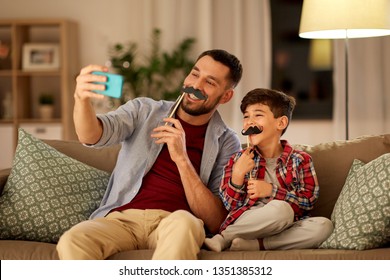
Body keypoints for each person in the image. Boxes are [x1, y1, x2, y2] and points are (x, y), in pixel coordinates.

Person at [56, 49, 243, 260]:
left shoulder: (227, 142)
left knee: (185, 225)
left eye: (210, 82)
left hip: (175, 221)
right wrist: (81, 99)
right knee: (74, 239)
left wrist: (181, 159)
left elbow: (217, 219)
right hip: (121, 220)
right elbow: (91, 135)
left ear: (226, 96)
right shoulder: (144, 110)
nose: (196, 86)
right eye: (194, 73)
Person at [204, 88, 333, 252]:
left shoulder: (300, 160)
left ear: (281, 123)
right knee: (281, 209)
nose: (249, 122)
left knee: (324, 226)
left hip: (287, 222)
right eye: (246, 116)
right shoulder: (238, 159)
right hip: (249, 221)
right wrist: (237, 174)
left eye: (258, 115)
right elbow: (230, 206)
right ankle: (224, 238)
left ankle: (257, 245)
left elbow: (307, 201)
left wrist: (270, 191)